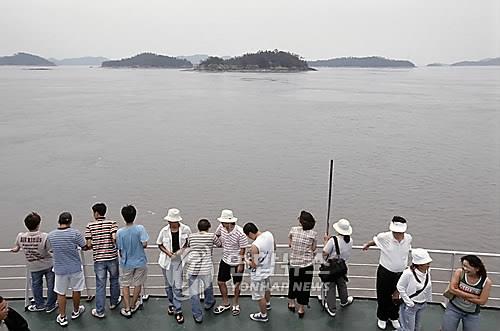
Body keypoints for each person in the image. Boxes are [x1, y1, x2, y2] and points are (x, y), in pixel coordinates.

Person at [362, 216, 412, 330]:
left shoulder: (408, 238)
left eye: (399, 232)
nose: (397, 234)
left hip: (400, 274)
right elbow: (375, 241)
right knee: (383, 296)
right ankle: (382, 317)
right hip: (385, 272)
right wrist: (367, 245)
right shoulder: (384, 237)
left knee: (397, 296)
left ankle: (394, 316)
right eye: (395, 231)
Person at [47, 212, 87, 327]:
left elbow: (50, 249)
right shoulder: (75, 233)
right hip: (75, 267)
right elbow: (84, 246)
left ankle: (63, 317)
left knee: (61, 293)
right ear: (70, 222)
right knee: (76, 290)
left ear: (59, 221)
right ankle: (75, 311)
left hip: (59, 268)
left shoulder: (51, 235)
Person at [11, 212, 57, 313]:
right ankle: (50, 305)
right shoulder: (45, 236)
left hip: (33, 266)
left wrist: (15, 249)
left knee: (36, 285)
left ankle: (39, 305)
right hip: (48, 264)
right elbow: (51, 250)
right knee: (51, 285)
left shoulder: (20, 236)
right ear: (38, 224)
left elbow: (16, 248)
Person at [85, 203, 121, 318]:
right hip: (112, 257)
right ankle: (113, 303)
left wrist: (95, 245)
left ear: (96, 213)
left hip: (99, 259)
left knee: (100, 285)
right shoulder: (112, 223)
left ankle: (100, 310)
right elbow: (114, 238)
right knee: (114, 280)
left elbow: (89, 244)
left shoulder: (90, 226)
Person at [156, 208, 191, 324]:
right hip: (166, 261)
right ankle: (171, 304)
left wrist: (181, 251)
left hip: (179, 261)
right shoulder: (164, 231)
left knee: (177, 286)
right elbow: (159, 244)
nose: (171, 223)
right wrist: (169, 253)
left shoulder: (186, 229)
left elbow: (188, 243)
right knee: (168, 286)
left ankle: (178, 310)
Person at [441, 255, 493, 331]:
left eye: (467, 266)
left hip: (472, 313)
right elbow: (452, 289)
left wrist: (459, 293)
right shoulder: (460, 272)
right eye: (463, 265)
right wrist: (473, 296)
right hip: (454, 308)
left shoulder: (486, 282)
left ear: (477, 269)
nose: (464, 268)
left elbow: (482, 301)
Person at [185, 219, 222, 323]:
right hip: (206, 268)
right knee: (208, 286)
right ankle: (208, 303)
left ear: (198, 227)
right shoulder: (211, 236)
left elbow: (187, 245)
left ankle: (198, 316)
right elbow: (219, 244)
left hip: (193, 268)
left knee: (194, 293)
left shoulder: (191, 236)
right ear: (208, 227)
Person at [213, 209, 248, 317]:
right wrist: (220, 244)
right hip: (225, 260)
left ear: (229, 222)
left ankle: (236, 304)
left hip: (236, 261)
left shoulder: (240, 232)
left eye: (223, 222)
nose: (221, 223)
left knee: (236, 284)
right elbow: (216, 235)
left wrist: (241, 264)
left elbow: (243, 249)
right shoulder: (221, 228)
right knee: (220, 282)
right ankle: (225, 303)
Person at [116, 205, 149, 318]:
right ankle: (134, 304)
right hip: (140, 261)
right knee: (137, 283)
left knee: (125, 285)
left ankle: (127, 308)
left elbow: (119, 248)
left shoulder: (120, 232)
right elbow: (144, 243)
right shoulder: (140, 228)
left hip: (126, 262)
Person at [243, 222, 275, 323]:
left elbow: (254, 264)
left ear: (250, 233)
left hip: (258, 274)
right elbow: (274, 247)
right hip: (268, 269)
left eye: (248, 236)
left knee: (259, 296)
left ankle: (263, 315)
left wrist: (246, 260)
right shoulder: (269, 234)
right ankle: (268, 304)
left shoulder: (255, 245)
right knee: (267, 288)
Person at [288, 210, 317, 318]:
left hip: (294, 264)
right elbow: (313, 249)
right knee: (305, 286)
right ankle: (301, 309)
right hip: (307, 265)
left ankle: (291, 303)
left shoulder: (293, 230)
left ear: (301, 221)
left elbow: (290, 244)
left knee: (293, 283)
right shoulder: (313, 234)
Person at [322, 218, 354, 317]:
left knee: (331, 287)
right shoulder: (350, 240)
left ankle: (331, 308)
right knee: (342, 284)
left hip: (332, 267)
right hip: (342, 266)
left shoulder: (333, 240)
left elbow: (325, 252)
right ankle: (344, 301)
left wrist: (326, 241)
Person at [396, 248, 433, 331]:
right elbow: (400, 287)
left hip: (422, 304)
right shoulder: (408, 273)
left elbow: (428, 285)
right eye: (426, 263)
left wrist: (428, 300)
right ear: (419, 264)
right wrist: (409, 302)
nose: (428, 264)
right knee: (409, 328)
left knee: (417, 327)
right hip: (411, 305)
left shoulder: (427, 271)